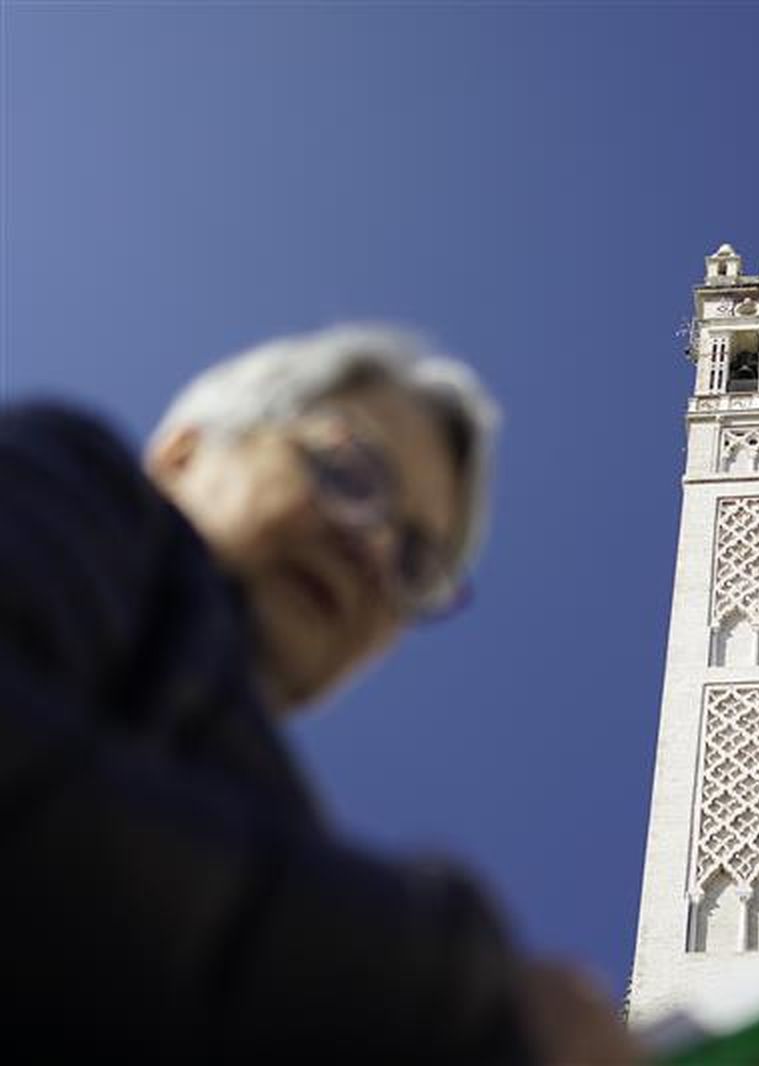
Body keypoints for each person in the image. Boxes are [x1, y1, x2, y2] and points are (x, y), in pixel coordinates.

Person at [0, 325, 634, 1062]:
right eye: (347, 472)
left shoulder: (270, 827)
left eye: (415, 560)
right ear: (185, 452)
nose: (371, 549)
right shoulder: (72, 485)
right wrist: (462, 1000)